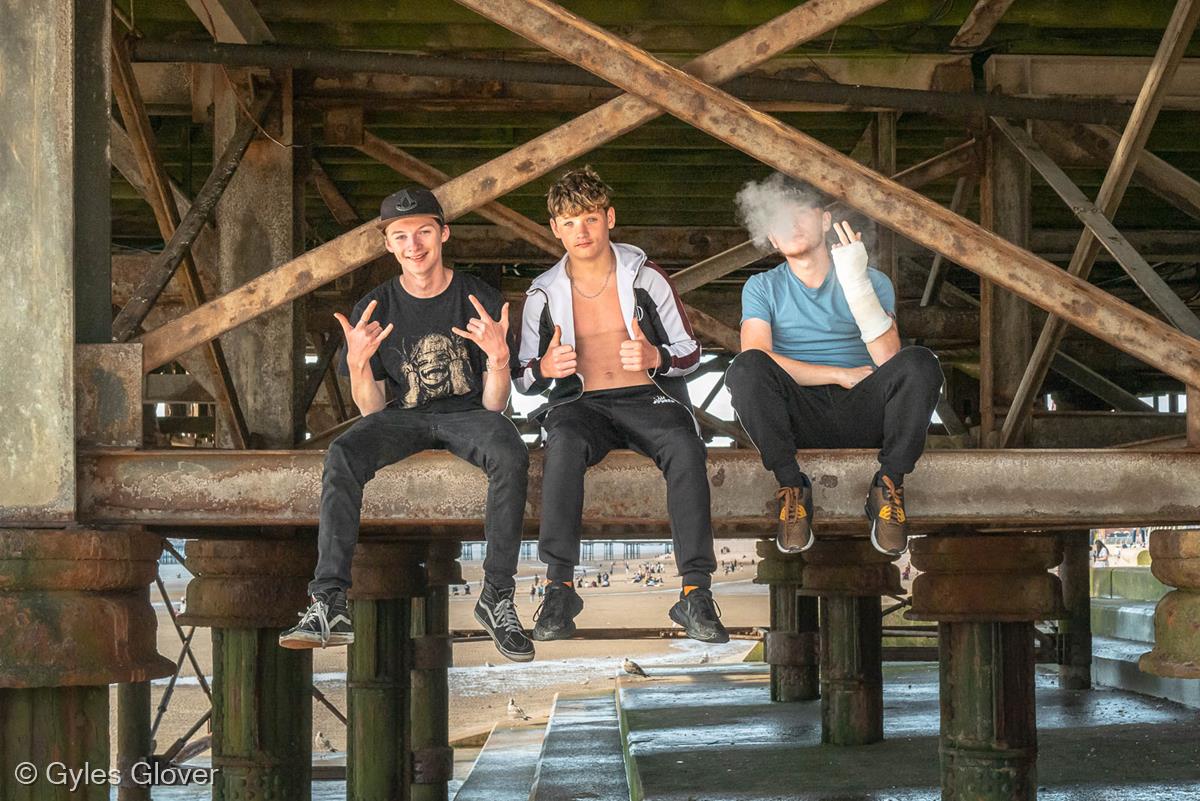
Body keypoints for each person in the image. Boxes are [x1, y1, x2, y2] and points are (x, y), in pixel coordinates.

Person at [279, 187, 534, 663]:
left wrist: (499, 359)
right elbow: (373, 410)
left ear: (444, 233)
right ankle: (329, 600)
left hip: (469, 414)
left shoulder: (479, 297)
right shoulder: (374, 308)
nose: (414, 244)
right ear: (388, 244)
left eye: (423, 232)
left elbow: (495, 405)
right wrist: (358, 364)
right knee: (342, 454)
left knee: (510, 453)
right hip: (403, 416)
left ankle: (497, 596)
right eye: (401, 236)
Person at [515, 167, 727, 644]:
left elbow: (690, 351)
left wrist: (656, 356)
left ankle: (695, 591)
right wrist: (547, 369)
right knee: (563, 444)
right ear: (555, 228)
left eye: (589, 218)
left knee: (685, 445)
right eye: (568, 222)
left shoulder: (646, 277)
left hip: (647, 397)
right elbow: (523, 376)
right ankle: (559, 588)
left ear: (609, 217)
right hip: (581, 402)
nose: (581, 232)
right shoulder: (542, 293)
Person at [726, 175, 943, 556]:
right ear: (771, 239)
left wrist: (855, 282)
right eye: (779, 220)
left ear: (824, 221)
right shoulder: (761, 287)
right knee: (745, 370)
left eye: (801, 214)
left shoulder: (871, 279)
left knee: (921, 363)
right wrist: (838, 374)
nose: (791, 225)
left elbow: (888, 361)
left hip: (864, 412)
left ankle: (888, 487)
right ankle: (793, 490)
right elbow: (756, 357)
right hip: (799, 416)